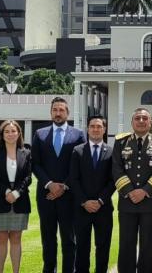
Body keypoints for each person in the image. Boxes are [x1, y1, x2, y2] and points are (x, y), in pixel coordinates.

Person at [32, 96, 86, 273]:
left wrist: (63, 186)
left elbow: (78, 166)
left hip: (68, 196)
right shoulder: (40, 135)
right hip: (45, 195)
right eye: (55, 109)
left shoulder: (78, 135)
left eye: (61, 110)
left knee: (69, 238)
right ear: (50, 112)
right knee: (47, 238)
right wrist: (49, 184)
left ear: (67, 113)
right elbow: (35, 164)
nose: (58, 113)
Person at [112, 107, 152, 273]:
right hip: (127, 203)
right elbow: (116, 169)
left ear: (150, 122)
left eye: (145, 118)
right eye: (138, 118)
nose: (141, 121)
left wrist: (144, 191)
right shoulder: (121, 142)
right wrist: (130, 191)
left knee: (147, 245)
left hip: (149, 204)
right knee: (126, 244)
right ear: (132, 122)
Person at [69, 116, 115, 273]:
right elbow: (73, 179)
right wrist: (84, 201)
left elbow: (113, 180)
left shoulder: (111, 152)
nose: (95, 129)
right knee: (82, 246)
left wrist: (100, 201)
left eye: (99, 126)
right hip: (82, 209)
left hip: (103, 208)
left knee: (103, 246)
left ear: (104, 129)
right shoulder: (78, 151)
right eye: (92, 126)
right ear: (88, 129)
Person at [0, 120, 32, 273]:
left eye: (13, 131)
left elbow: (28, 177)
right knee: (0, 238)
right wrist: (7, 192)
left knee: (16, 238)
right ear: (2, 134)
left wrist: (17, 192)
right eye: (7, 131)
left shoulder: (26, 152)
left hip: (20, 200)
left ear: (19, 133)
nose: (10, 134)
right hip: (0, 199)